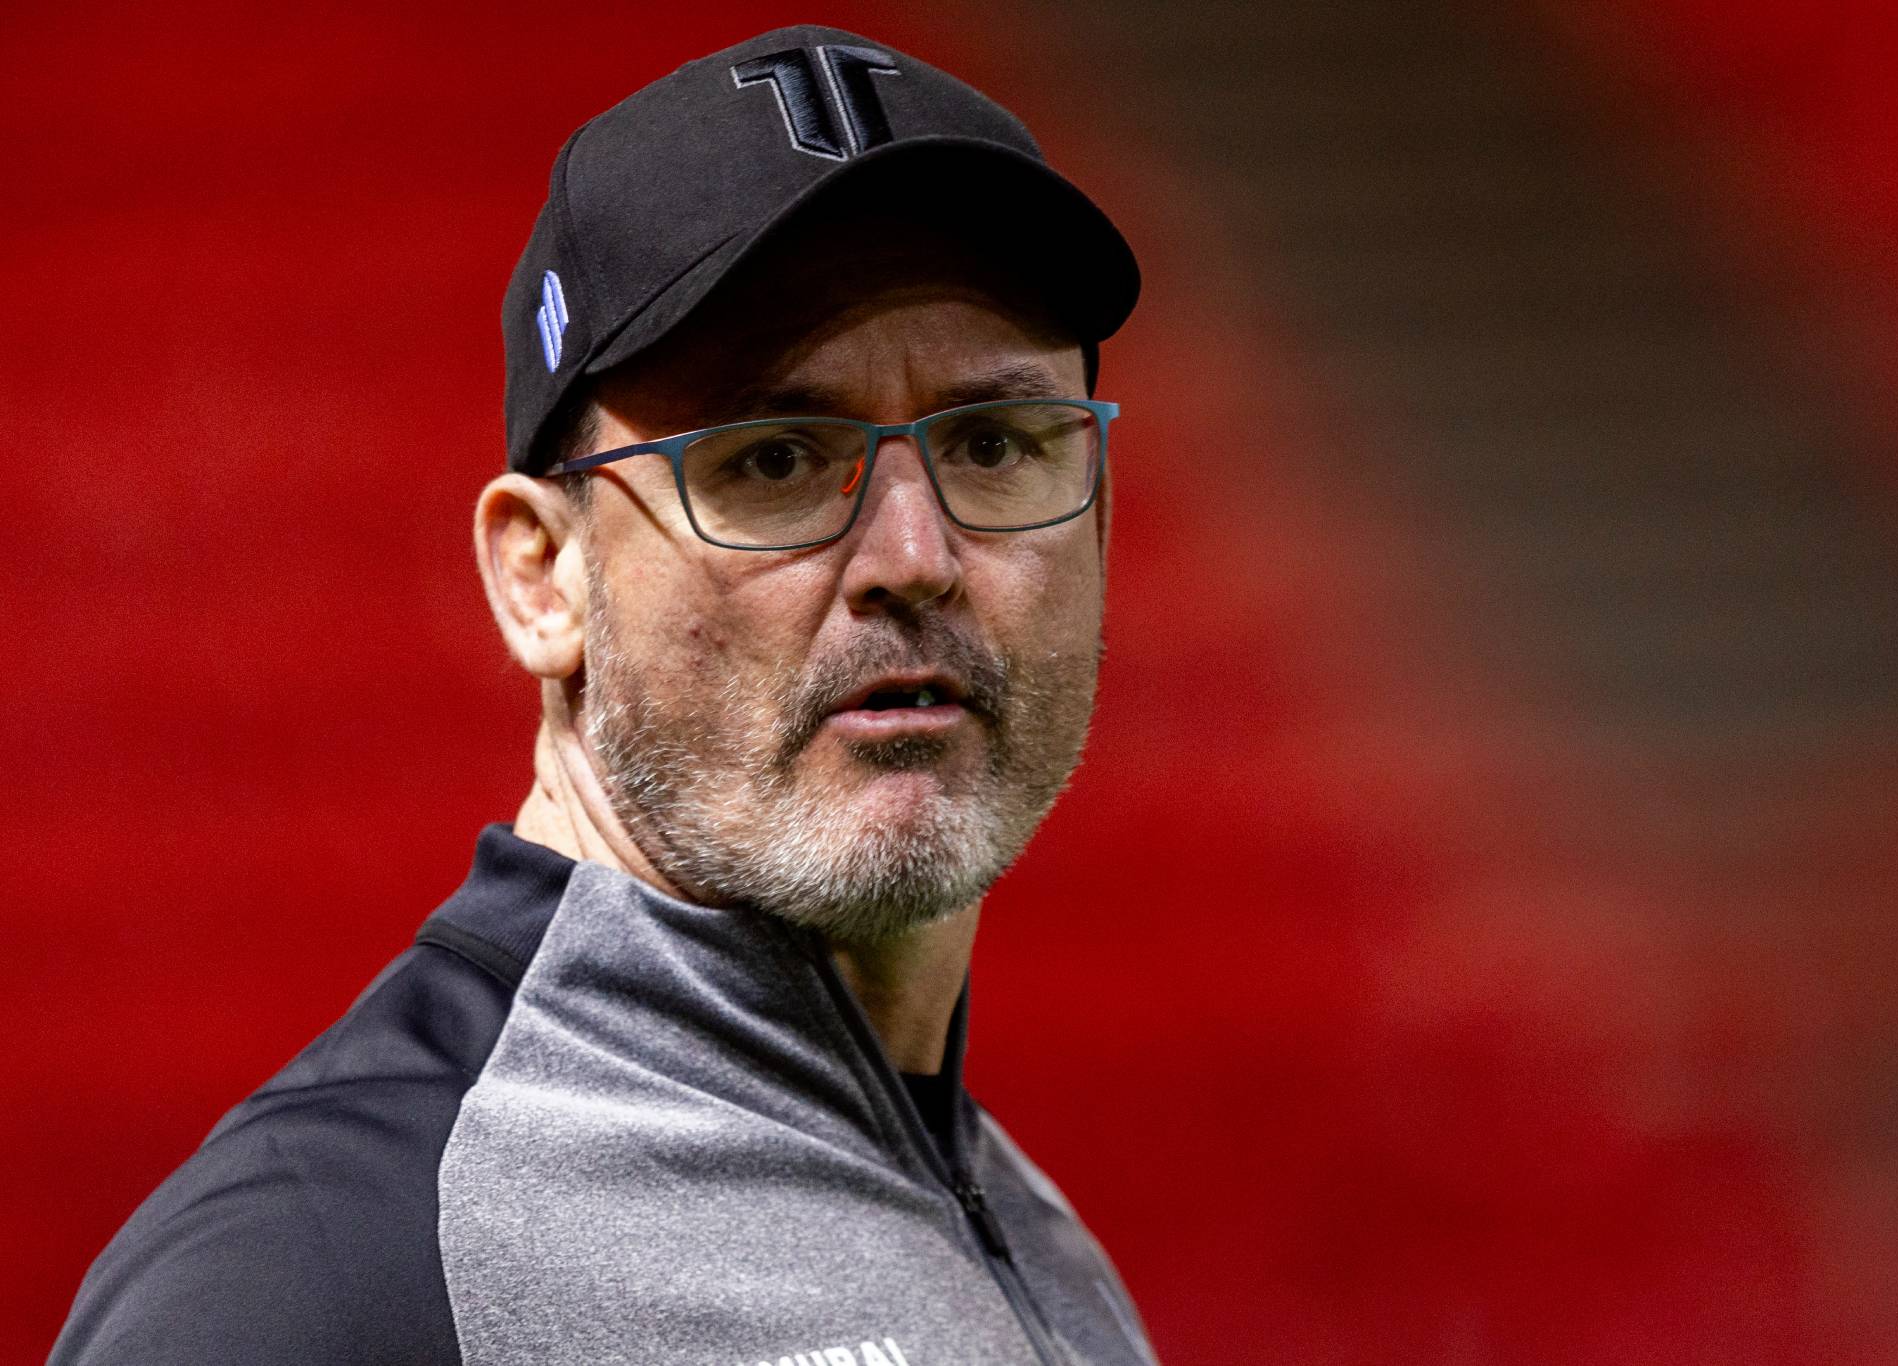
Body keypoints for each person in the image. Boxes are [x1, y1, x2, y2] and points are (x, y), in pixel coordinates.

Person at [50, 23, 1154, 1366]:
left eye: (994, 444)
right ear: (543, 579)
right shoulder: (320, 1277)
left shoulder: (1050, 1254)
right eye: (774, 461)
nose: (915, 559)